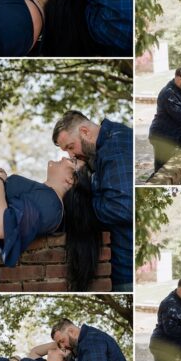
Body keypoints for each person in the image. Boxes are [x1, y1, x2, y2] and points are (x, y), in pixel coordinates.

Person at [0, 158, 102, 289]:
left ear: (71, 180)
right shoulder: (46, 196)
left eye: (72, 161)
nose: (65, 157)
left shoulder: (50, 204)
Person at [53, 110, 133, 292]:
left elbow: (123, 207)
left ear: (85, 132)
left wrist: (80, 206)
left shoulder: (115, 146)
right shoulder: (105, 149)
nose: (72, 155)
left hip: (127, 271)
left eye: (71, 147)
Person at [148, 68, 181, 173]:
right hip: (163, 137)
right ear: (178, 78)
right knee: (162, 170)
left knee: (172, 168)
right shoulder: (169, 94)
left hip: (176, 136)